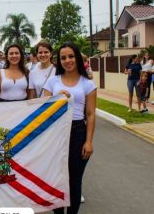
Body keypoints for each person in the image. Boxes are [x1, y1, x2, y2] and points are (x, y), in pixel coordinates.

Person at [43, 42, 96, 214]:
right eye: (63, 57)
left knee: (74, 180)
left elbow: (90, 114)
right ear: (59, 61)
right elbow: (43, 109)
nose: (67, 60)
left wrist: (88, 141)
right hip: (55, 132)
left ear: (77, 58)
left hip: (78, 131)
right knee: (57, 179)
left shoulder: (87, 84)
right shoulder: (52, 81)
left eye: (71, 56)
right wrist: (57, 98)